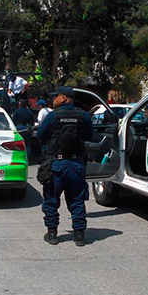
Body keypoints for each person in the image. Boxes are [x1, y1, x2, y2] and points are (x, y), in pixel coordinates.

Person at [37, 86, 93, 246]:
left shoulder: (52, 116)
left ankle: (52, 234)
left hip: (57, 165)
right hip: (76, 164)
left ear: (63, 97)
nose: (53, 100)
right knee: (77, 199)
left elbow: (40, 135)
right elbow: (90, 135)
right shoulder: (83, 116)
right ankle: (79, 235)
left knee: (51, 200)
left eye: (55, 96)